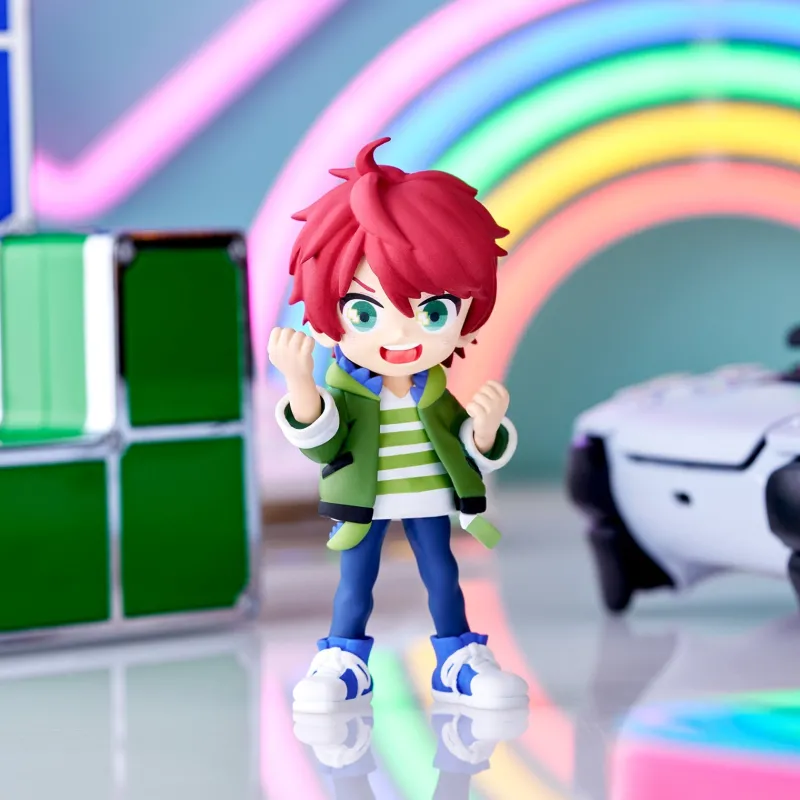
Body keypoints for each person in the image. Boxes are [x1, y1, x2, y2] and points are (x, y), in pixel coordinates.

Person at [269, 137, 528, 714]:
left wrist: (486, 430)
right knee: (354, 583)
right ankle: (344, 661)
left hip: (429, 497)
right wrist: (300, 384)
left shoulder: (433, 390)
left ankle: (459, 659)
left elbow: (465, 445)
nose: (401, 333)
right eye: (365, 312)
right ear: (328, 314)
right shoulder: (346, 390)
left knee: (443, 576)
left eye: (433, 311)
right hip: (364, 501)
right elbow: (325, 444)